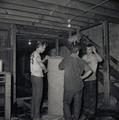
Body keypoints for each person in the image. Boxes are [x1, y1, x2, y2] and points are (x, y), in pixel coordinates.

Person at [58, 43, 92, 120]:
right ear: (78, 52)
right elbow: (90, 71)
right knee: (77, 105)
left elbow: (59, 67)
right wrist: (82, 77)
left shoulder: (66, 59)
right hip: (79, 87)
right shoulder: (81, 60)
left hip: (68, 87)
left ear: (71, 51)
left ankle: (68, 118)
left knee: (66, 104)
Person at [82, 44, 102, 119]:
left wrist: (95, 52)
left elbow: (101, 60)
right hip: (85, 79)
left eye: (89, 49)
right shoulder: (84, 56)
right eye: (87, 49)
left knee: (92, 96)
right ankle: (86, 110)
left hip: (92, 79)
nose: (88, 51)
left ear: (92, 49)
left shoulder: (94, 56)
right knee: (85, 95)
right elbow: (81, 65)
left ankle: (92, 112)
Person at [30, 41, 48, 120]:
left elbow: (37, 62)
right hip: (38, 78)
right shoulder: (37, 54)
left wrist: (44, 59)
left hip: (33, 76)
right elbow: (40, 64)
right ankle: (36, 117)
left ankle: (32, 113)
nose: (44, 50)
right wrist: (45, 69)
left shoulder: (33, 53)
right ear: (40, 47)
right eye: (43, 48)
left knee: (34, 96)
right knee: (39, 97)